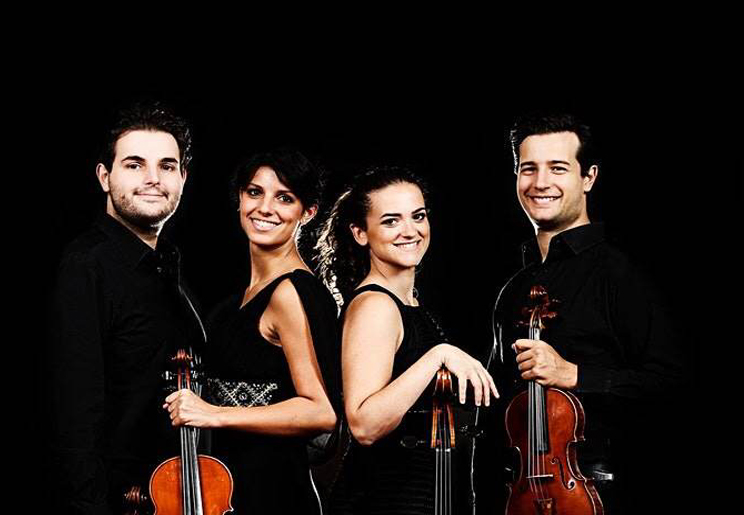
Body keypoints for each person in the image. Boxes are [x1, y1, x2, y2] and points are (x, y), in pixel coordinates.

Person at [484, 113, 684, 514]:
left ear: (588, 177)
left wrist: (575, 375)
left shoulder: (620, 273)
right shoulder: (514, 290)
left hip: (608, 494)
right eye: (528, 169)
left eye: (558, 168)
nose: (541, 183)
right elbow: (495, 410)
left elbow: (672, 384)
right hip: (522, 495)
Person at [48, 102, 206, 514]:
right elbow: (76, 411)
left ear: (183, 178)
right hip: (120, 502)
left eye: (167, 166)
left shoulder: (169, 266)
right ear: (105, 177)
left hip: (178, 494)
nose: (153, 179)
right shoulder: (87, 266)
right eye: (135, 165)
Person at [163, 149, 339, 515]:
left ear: (307, 212)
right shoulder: (238, 300)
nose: (265, 208)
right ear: (240, 198)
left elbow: (319, 412)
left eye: (284, 198)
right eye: (255, 192)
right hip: (229, 488)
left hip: (274, 492)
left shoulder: (292, 292)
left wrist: (215, 413)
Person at [316, 166, 499, 515]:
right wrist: (438, 355)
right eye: (391, 221)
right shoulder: (375, 306)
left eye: (418, 216)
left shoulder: (409, 304)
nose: (411, 230)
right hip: (382, 502)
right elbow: (364, 424)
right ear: (360, 233)